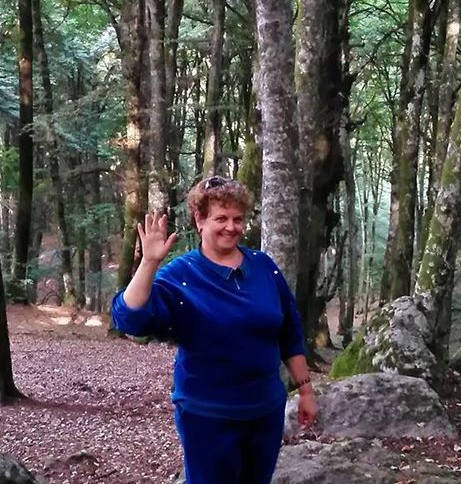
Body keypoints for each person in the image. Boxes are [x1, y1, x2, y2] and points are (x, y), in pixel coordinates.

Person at [111, 176, 317, 484]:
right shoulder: (181, 275)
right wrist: (149, 263)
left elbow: (289, 332)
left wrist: (306, 391)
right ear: (200, 220)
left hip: (265, 411)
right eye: (221, 218)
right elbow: (128, 318)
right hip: (207, 417)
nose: (231, 227)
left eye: (238, 219)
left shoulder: (263, 267)